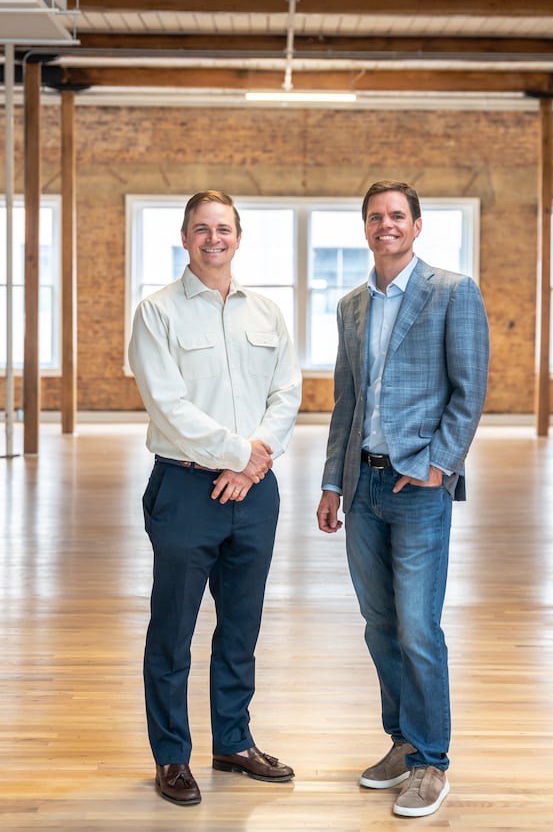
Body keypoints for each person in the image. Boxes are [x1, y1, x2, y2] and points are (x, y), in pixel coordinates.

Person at [317, 180, 489, 819]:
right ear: (365, 228)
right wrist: (333, 483)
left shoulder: (452, 291)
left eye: (396, 216)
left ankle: (431, 762)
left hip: (418, 487)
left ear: (417, 226)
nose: (385, 225)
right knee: (380, 624)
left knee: (419, 629)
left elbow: (468, 392)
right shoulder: (351, 305)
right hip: (362, 489)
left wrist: (438, 467)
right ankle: (402, 740)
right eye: (374, 217)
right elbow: (346, 402)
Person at [128, 190, 302, 806]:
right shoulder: (157, 313)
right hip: (185, 489)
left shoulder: (265, 313)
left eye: (223, 228)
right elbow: (167, 406)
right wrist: (241, 454)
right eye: (201, 229)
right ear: (184, 237)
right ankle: (172, 755)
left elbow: (288, 392)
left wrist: (252, 466)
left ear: (238, 235)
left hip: (255, 493)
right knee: (172, 632)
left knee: (241, 627)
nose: (213, 239)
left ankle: (232, 740)